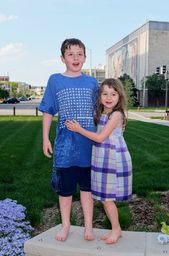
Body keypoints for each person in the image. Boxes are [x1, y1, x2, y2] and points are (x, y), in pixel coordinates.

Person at [39, 38, 98, 242]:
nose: (75, 58)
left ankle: (88, 227)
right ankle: (66, 226)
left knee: (87, 190)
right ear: (62, 58)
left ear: (85, 57)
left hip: (89, 147)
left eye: (79, 54)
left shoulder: (92, 82)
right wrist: (45, 138)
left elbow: (101, 110)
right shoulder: (55, 80)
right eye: (70, 54)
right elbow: (47, 110)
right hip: (65, 148)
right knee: (65, 191)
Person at [65, 78, 132, 244]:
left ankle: (116, 229)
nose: (109, 97)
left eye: (113, 94)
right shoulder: (103, 113)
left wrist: (78, 129)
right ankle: (116, 229)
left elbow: (101, 137)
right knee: (104, 198)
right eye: (105, 94)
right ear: (100, 96)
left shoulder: (116, 115)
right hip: (103, 158)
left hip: (113, 159)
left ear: (120, 97)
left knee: (108, 199)